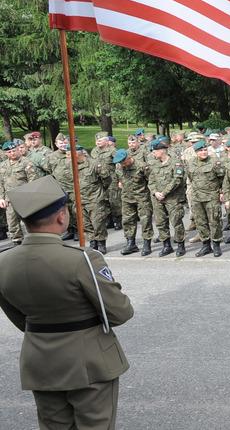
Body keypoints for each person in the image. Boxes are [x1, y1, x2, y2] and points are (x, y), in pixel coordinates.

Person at [0, 176, 133, 430]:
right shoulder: (82, 260)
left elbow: (19, 318)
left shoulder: (3, 262)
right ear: (62, 216)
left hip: (39, 360)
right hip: (89, 363)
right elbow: (119, 312)